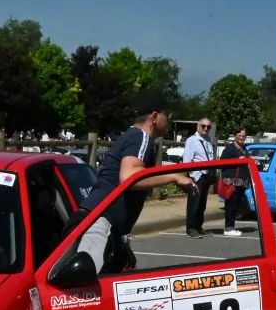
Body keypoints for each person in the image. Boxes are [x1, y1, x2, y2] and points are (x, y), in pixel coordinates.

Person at [79, 89, 196, 272]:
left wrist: (121, 241)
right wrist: (174, 177)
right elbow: (129, 177)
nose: (169, 119)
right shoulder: (141, 137)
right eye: (167, 114)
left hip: (105, 225)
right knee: (85, 284)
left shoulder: (133, 136)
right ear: (154, 117)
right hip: (99, 223)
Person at [182, 116, 216, 238]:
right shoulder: (192, 140)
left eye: (208, 127)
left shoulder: (208, 140)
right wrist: (193, 177)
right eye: (203, 126)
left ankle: (198, 226)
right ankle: (191, 228)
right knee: (194, 203)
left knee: (202, 204)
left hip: (206, 174)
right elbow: (187, 160)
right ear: (198, 127)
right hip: (196, 175)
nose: (206, 128)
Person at [218, 127, 253, 237]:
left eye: (243, 136)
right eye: (239, 135)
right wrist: (237, 160)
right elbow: (222, 162)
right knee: (231, 205)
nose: (241, 138)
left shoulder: (244, 148)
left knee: (236, 205)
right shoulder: (229, 149)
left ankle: (231, 226)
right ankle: (228, 227)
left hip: (241, 183)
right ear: (235, 136)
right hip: (231, 182)